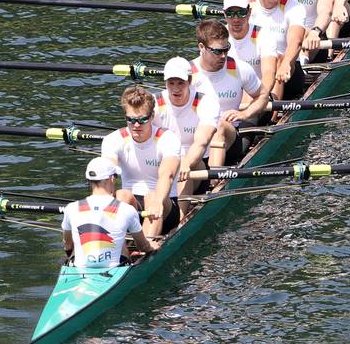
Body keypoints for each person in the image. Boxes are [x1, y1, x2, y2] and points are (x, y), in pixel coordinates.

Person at [100, 85, 182, 238]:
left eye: (142, 119)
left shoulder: (167, 139)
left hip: (164, 205)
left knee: (152, 196)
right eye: (130, 120)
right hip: (132, 205)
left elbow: (167, 175)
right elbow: (107, 172)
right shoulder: (113, 140)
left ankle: (145, 250)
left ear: (152, 116)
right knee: (122, 195)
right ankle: (114, 247)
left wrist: (158, 201)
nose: (136, 125)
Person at [187, 19, 267, 166]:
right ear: (201, 47)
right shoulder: (188, 74)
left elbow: (263, 96)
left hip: (230, 136)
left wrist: (245, 114)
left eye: (226, 49)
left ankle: (214, 181)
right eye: (218, 51)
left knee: (219, 125)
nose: (223, 56)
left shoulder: (238, 68)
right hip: (196, 140)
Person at [61, 157, 157, 269]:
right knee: (121, 244)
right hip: (115, 268)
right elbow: (142, 246)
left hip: (79, 268)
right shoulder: (127, 210)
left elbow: (68, 245)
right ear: (112, 179)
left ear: (89, 180)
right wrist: (152, 246)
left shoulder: (71, 208)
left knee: (77, 244)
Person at [153, 57, 219, 203]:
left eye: (181, 83)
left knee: (181, 163)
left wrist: (186, 163)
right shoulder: (154, 103)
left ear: (189, 81)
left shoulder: (205, 102)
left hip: (195, 166)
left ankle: (181, 220)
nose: (176, 89)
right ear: (165, 83)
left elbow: (202, 141)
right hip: (164, 167)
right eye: (171, 83)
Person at [252, 0, 307, 100]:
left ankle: (272, 115)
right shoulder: (246, 8)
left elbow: (296, 41)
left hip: (286, 74)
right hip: (255, 72)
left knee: (277, 59)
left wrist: (286, 63)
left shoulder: (293, 7)